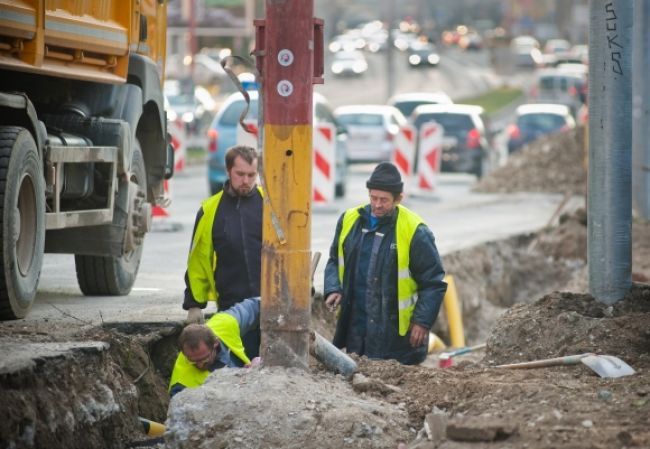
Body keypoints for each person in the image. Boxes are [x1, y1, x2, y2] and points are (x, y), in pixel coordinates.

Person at [323, 162, 447, 365]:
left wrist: (422, 322)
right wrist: (333, 287)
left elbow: (433, 283)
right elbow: (335, 260)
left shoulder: (415, 231)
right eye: (373, 198)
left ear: (398, 199)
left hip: (396, 338)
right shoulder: (349, 220)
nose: (377, 205)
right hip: (357, 328)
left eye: (384, 200)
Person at [183, 145, 263, 360]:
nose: (246, 181)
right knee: (239, 366)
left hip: (270, 304)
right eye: (240, 174)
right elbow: (198, 259)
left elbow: (288, 249)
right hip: (232, 308)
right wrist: (194, 304)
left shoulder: (270, 204)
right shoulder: (210, 210)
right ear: (228, 171)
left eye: (251, 175)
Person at [169, 297, 261, 397]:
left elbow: (256, 305)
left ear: (215, 343)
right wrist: (250, 376)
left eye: (205, 359)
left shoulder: (225, 324)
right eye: (193, 362)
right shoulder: (181, 384)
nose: (200, 365)